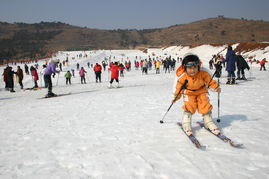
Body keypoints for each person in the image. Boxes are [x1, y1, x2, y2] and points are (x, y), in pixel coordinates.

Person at [172, 54, 221, 136]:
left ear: (198, 66)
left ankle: (208, 121)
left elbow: (210, 81)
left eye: (195, 67)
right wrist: (175, 97)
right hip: (189, 93)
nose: (192, 70)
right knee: (190, 106)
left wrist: (215, 87)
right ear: (185, 68)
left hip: (201, 91)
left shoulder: (203, 73)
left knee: (205, 104)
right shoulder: (183, 77)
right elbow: (178, 88)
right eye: (190, 68)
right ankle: (186, 122)